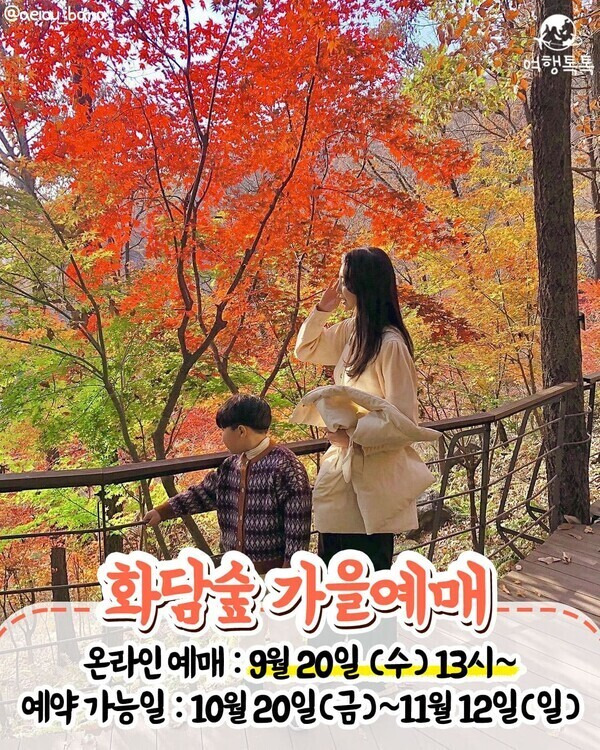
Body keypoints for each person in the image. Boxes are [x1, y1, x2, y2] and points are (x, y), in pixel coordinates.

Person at [294, 246, 433, 572]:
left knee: (367, 575)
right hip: (341, 473)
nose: (339, 288)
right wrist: (322, 310)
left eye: (344, 281)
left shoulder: (390, 345)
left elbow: (404, 421)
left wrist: (353, 437)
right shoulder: (352, 330)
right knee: (332, 572)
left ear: (362, 285)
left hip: (373, 477)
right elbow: (306, 350)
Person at [143, 394, 312, 575]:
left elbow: (298, 530)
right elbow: (202, 494)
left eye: (223, 430)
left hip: (271, 574)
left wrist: (288, 576)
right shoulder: (231, 465)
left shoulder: (285, 467)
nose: (222, 436)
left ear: (241, 431)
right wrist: (162, 512)